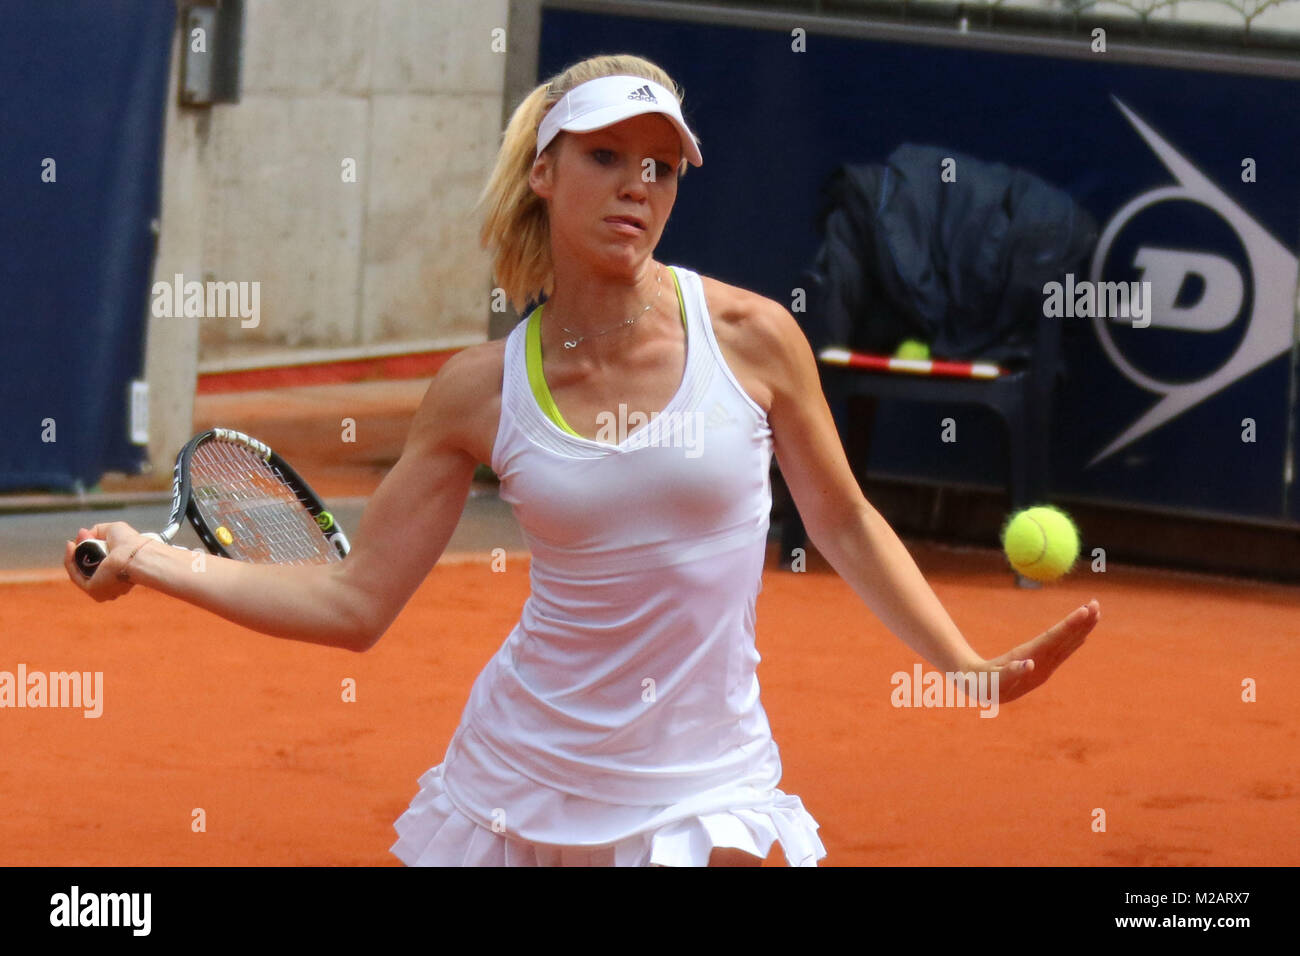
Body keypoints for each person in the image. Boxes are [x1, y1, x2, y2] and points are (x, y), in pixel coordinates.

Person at [66, 54, 1101, 867]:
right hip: (521, 778)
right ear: (544, 171)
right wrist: (156, 560)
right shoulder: (479, 389)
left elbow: (841, 520)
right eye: (605, 156)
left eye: (658, 165)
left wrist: (961, 663)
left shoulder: (752, 336)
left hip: (708, 778)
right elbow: (353, 601)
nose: (635, 186)